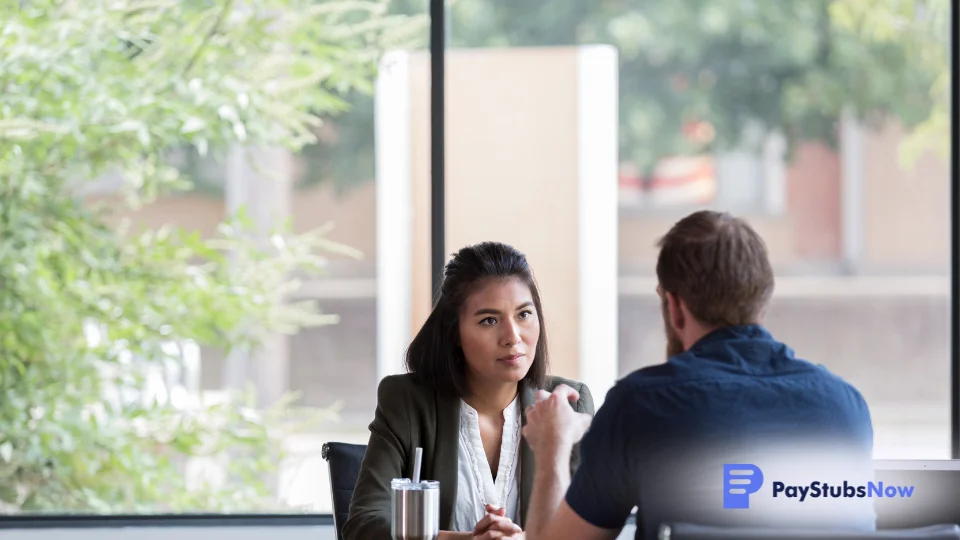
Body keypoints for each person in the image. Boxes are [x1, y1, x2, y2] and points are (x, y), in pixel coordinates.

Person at [518, 210, 876, 540]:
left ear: (674, 306)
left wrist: (552, 447)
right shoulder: (847, 406)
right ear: (762, 298)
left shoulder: (641, 405)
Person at [343, 241, 594, 540]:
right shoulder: (406, 402)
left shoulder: (567, 406)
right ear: (455, 332)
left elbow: (587, 530)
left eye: (524, 314)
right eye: (489, 320)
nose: (513, 337)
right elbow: (364, 524)